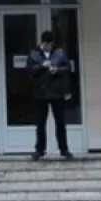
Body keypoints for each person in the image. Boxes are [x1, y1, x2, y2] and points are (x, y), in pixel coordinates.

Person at [29, 30, 73, 161]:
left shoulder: (60, 53)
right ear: (41, 43)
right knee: (40, 123)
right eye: (45, 44)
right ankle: (39, 150)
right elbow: (30, 70)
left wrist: (57, 70)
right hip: (41, 92)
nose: (47, 47)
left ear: (53, 43)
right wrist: (42, 66)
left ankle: (64, 149)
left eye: (49, 44)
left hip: (57, 92)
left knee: (60, 122)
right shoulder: (34, 54)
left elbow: (67, 67)